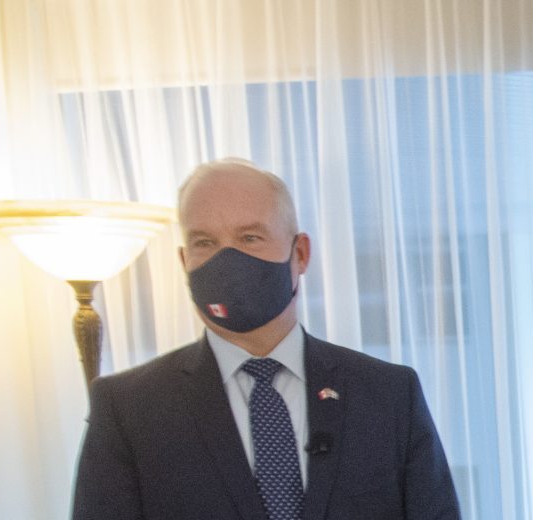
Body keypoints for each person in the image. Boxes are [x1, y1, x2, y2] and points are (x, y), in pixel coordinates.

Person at [72, 158, 460, 520]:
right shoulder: (127, 409)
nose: (227, 260)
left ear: (301, 253)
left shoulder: (388, 395)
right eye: (204, 242)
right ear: (183, 261)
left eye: (250, 237)